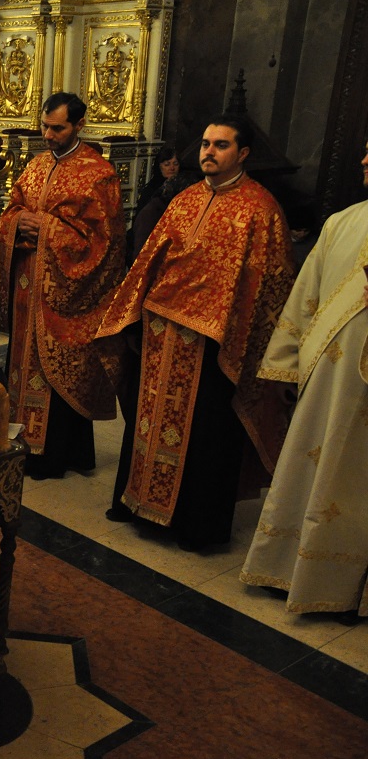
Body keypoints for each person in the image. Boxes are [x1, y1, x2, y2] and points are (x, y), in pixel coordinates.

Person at [97, 114, 296, 549]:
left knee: (205, 432)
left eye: (220, 145)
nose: (208, 151)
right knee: (149, 421)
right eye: (205, 143)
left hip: (216, 345)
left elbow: (271, 285)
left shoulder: (260, 211)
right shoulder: (185, 199)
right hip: (161, 331)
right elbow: (149, 261)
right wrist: (131, 314)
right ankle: (137, 503)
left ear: (242, 154)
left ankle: (194, 526)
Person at [239, 140, 368, 613]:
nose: (365, 159)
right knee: (311, 468)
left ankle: (342, 588)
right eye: (366, 149)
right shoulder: (344, 222)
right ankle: (290, 566)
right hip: (327, 381)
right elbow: (305, 296)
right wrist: (287, 360)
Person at [0, 92, 126, 480]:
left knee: (62, 370)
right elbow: (10, 212)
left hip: (64, 297)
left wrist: (47, 228)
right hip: (26, 287)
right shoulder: (34, 167)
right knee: (22, 365)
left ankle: (56, 454)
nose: (48, 135)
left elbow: (106, 243)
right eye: (44, 127)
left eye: (58, 128)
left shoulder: (98, 174)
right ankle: (21, 443)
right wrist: (20, 224)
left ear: (79, 126)